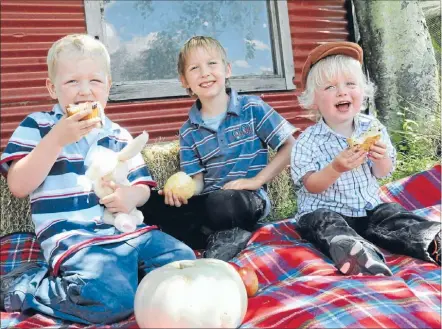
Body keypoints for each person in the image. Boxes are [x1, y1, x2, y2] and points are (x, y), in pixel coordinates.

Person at [0, 34, 195, 324]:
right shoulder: (38, 126)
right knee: (112, 300)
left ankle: (132, 280)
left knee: (185, 262)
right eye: (72, 82)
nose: (85, 91)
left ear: (108, 87)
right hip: (76, 239)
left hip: (127, 232)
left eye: (95, 81)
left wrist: (131, 196)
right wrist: (57, 139)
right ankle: (26, 287)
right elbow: (18, 185)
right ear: (52, 88)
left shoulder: (117, 134)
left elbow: (142, 186)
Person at [290, 41, 441, 276]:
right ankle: (356, 253)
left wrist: (381, 158)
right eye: (330, 87)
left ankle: (432, 239)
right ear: (313, 101)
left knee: (391, 213)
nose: (342, 91)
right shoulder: (308, 141)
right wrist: (335, 168)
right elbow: (311, 185)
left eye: (350, 84)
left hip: (368, 208)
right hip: (326, 210)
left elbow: (383, 172)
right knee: (321, 222)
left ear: (363, 91)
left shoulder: (372, 127)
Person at [140, 36, 296, 261]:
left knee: (223, 203)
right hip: (209, 201)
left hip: (246, 200)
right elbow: (197, 182)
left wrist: (256, 181)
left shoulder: (251, 108)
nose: (205, 72)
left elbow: (290, 146)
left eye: (212, 64)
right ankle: (221, 235)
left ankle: (209, 234)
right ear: (185, 80)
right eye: (195, 68)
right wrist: (177, 193)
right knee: (150, 203)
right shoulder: (189, 131)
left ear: (228, 69)